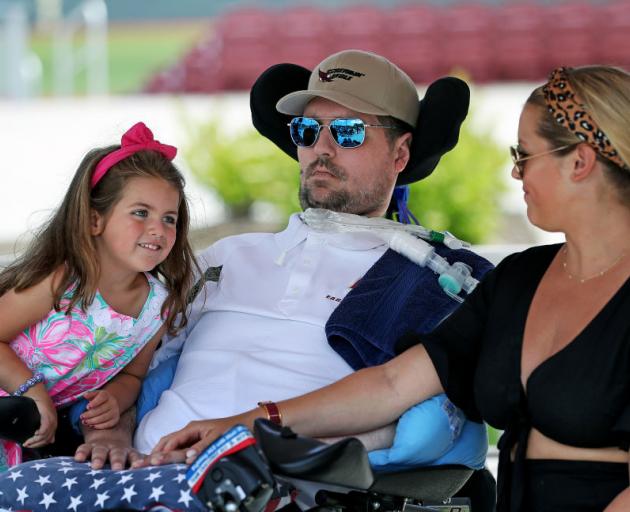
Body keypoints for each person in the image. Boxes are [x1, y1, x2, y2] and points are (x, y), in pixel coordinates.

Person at [0, 50, 494, 511]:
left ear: (401, 154)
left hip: (263, 484)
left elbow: (409, 404)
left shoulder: (431, 276)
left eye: (347, 133)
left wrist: (270, 444)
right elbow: (133, 364)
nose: (320, 149)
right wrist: (114, 432)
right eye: (306, 130)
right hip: (135, 473)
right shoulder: (225, 258)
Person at [155, 65, 630, 511]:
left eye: (522, 155)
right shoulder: (519, 277)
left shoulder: (453, 271)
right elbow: (392, 384)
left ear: (581, 162)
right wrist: (248, 423)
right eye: (308, 131)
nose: (515, 172)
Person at [0, 122, 197, 471]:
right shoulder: (62, 281)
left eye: (170, 218)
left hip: (38, 419)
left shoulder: (157, 305)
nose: (158, 229)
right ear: (95, 220)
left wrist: (114, 399)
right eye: (141, 212)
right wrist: (31, 389)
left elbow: (134, 376)